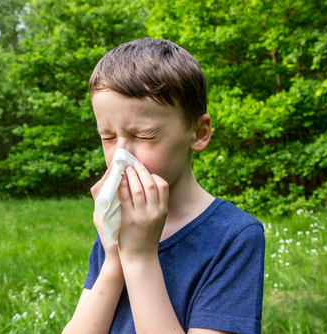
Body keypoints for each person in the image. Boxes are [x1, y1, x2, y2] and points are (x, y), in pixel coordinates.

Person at [63, 37, 265, 334]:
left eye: (143, 135)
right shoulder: (118, 220)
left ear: (198, 132)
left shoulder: (235, 237)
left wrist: (141, 258)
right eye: (107, 136)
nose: (120, 156)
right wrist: (115, 258)